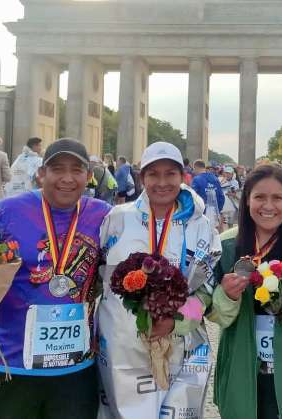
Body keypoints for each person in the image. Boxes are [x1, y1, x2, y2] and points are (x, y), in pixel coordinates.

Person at [0, 138, 111, 418]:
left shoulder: (104, 216)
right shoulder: (7, 212)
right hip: (14, 364)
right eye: (57, 169)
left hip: (76, 368)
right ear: (41, 173)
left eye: (77, 170)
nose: (67, 178)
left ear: (88, 176)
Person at [96, 142, 221, 419]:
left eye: (170, 174)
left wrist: (176, 320)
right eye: (154, 175)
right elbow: (97, 278)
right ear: (142, 178)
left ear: (183, 177)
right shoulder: (117, 219)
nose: (162, 183)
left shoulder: (201, 226)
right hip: (121, 346)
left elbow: (206, 292)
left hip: (181, 347)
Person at [211, 164, 282, 419]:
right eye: (259, 197)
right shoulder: (225, 246)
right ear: (247, 199)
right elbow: (206, 309)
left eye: (277, 198)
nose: (268, 206)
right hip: (240, 372)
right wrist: (226, 296)